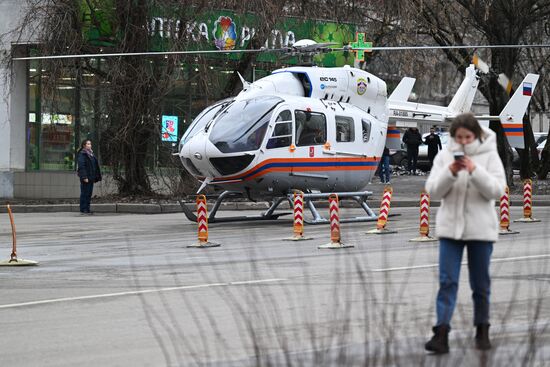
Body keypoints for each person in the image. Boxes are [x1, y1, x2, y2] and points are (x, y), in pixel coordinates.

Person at [424, 113, 506, 354]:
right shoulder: (444, 156)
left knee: (480, 284)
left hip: (480, 230)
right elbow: (433, 191)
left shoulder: (490, 156)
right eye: (458, 138)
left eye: (467, 137)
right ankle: (441, 333)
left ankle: (482, 330)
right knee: (447, 281)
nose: (463, 142)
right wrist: (449, 172)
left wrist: (474, 171)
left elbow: (497, 191)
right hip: (451, 229)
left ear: (476, 136)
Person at [77, 139, 102, 215]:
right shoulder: (82, 154)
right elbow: (81, 167)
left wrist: (96, 176)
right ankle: (83, 209)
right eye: (88, 144)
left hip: (91, 177)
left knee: (89, 194)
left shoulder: (91, 154)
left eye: (90, 144)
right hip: (86, 178)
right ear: (84, 145)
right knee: (84, 193)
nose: (89, 145)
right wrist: (84, 177)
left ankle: (87, 209)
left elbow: (95, 165)